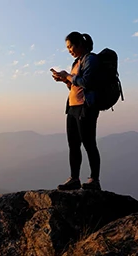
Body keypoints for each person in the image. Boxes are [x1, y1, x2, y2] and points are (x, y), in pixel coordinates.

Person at [50, 31, 101, 191]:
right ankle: (74, 178)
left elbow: (87, 82)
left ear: (80, 44)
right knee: (73, 144)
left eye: (71, 46)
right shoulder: (76, 62)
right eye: (68, 48)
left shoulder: (90, 59)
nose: (69, 50)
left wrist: (69, 76)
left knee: (89, 143)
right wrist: (64, 79)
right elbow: (74, 86)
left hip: (85, 107)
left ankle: (94, 180)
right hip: (72, 108)